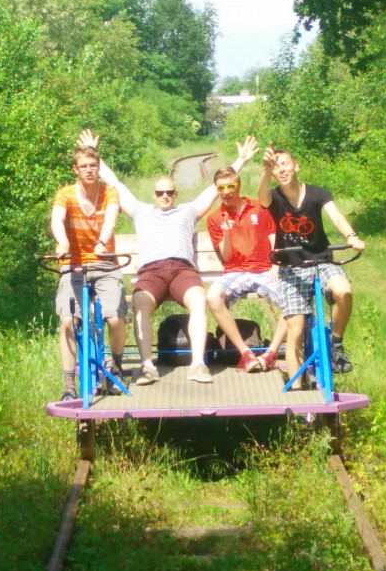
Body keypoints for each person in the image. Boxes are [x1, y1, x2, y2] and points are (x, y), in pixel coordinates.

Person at [79, 129, 258, 385]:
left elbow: (217, 187)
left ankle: (197, 364)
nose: (165, 196)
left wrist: (240, 161)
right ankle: (147, 366)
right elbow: (115, 184)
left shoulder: (188, 211)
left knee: (199, 300)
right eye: (160, 193)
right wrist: (95, 155)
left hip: (182, 271)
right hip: (151, 272)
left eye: (170, 193)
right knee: (140, 305)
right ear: (154, 195)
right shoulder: (140, 211)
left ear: (176, 194)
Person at [257, 143, 366, 382]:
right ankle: (296, 391)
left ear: (296, 166)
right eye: (276, 167)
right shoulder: (274, 197)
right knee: (294, 333)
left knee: (343, 291)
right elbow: (261, 196)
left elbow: (335, 215)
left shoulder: (318, 193)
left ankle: (335, 343)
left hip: (322, 261)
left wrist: (351, 236)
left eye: (285, 164)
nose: (281, 170)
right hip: (291, 269)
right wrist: (265, 169)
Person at [49, 143, 127, 401]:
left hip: (104, 264)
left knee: (114, 318)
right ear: (76, 170)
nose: (89, 170)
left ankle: (115, 366)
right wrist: (63, 243)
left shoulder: (109, 193)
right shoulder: (65, 194)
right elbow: (57, 219)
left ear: (98, 167)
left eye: (93, 165)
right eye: (84, 166)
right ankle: (69, 385)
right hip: (73, 265)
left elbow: (111, 219)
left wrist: (103, 242)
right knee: (68, 322)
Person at [205, 165, 288, 373]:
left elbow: (273, 237)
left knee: (294, 301)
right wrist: (226, 234)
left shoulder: (259, 207)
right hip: (236, 272)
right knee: (213, 297)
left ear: (239, 185)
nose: (226, 192)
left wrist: (276, 263)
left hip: (265, 269)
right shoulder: (215, 218)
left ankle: (270, 354)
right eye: (220, 188)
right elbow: (227, 257)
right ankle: (246, 354)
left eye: (230, 186)